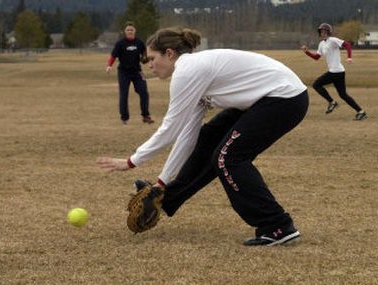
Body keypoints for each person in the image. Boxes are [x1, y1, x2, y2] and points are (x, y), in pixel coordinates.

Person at [97, 27, 309, 246]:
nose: (150, 65)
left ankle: (277, 226)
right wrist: (162, 182)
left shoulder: (187, 70)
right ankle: (166, 198)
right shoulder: (193, 72)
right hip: (266, 99)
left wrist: (132, 161)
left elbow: (170, 129)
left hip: (284, 99)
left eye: (152, 58)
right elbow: (188, 134)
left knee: (228, 158)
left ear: (169, 54)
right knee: (207, 139)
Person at [301, 23, 367, 120]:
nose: (323, 33)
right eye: (321, 31)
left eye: (325, 31)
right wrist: (307, 52)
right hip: (337, 72)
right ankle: (361, 112)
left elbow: (347, 45)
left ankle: (332, 102)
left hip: (336, 72)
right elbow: (316, 57)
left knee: (316, 84)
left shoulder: (333, 40)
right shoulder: (321, 44)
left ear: (328, 32)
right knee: (343, 95)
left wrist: (349, 57)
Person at [106, 21, 154, 124]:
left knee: (144, 93)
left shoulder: (140, 43)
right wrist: (109, 65)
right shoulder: (120, 43)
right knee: (124, 95)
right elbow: (113, 56)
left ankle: (146, 116)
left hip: (137, 72)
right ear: (125, 31)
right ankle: (124, 118)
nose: (130, 31)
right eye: (128, 30)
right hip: (123, 72)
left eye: (131, 30)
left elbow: (145, 56)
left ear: (134, 31)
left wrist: (148, 60)